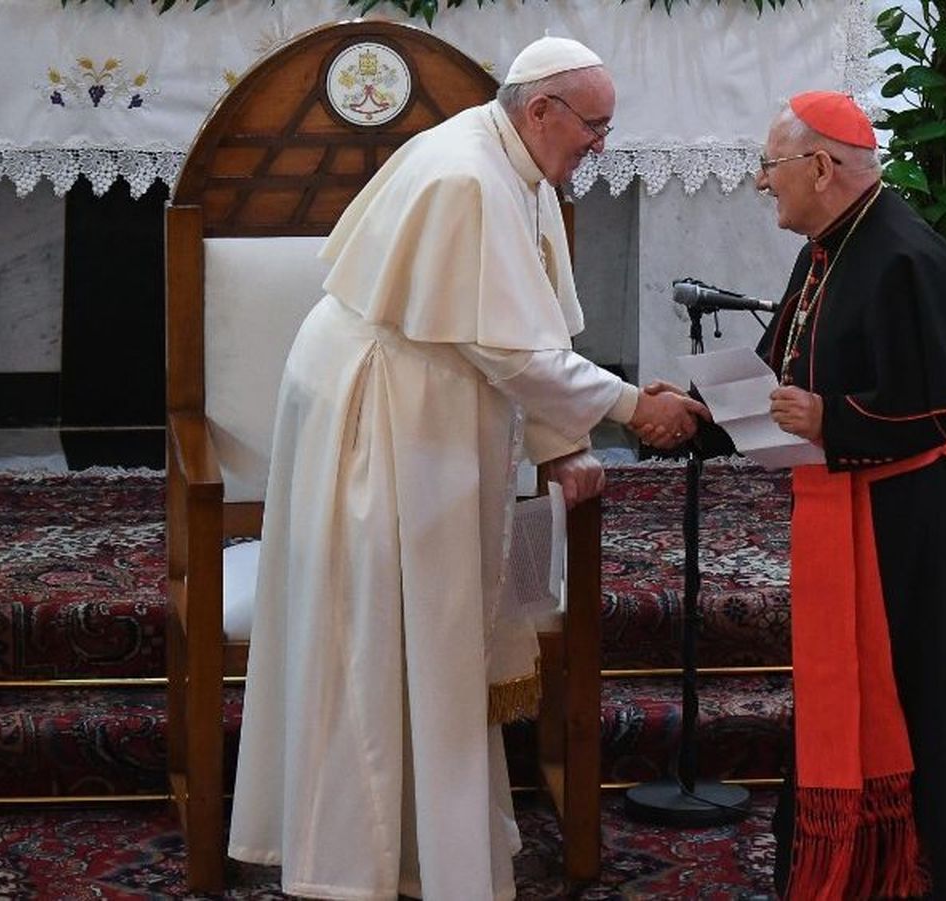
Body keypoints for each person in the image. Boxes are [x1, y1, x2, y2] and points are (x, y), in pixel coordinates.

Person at [226, 37, 707, 901]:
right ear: (541, 111)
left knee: (428, 639)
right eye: (594, 125)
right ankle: (361, 859)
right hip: (384, 420)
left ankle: (429, 853)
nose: (601, 143)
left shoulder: (510, 164)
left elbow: (526, 333)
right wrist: (636, 408)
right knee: (381, 634)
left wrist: (564, 442)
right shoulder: (469, 178)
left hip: (432, 410)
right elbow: (509, 349)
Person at [717, 91, 946, 899]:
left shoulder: (905, 255)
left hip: (904, 524)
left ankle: (914, 870)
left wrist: (834, 417)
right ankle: (840, 857)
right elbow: (792, 367)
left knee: (915, 692)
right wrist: (708, 409)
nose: (762, 183)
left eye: (771, 167)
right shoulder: (829, 244)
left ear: (820, 166)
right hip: (850, 505)